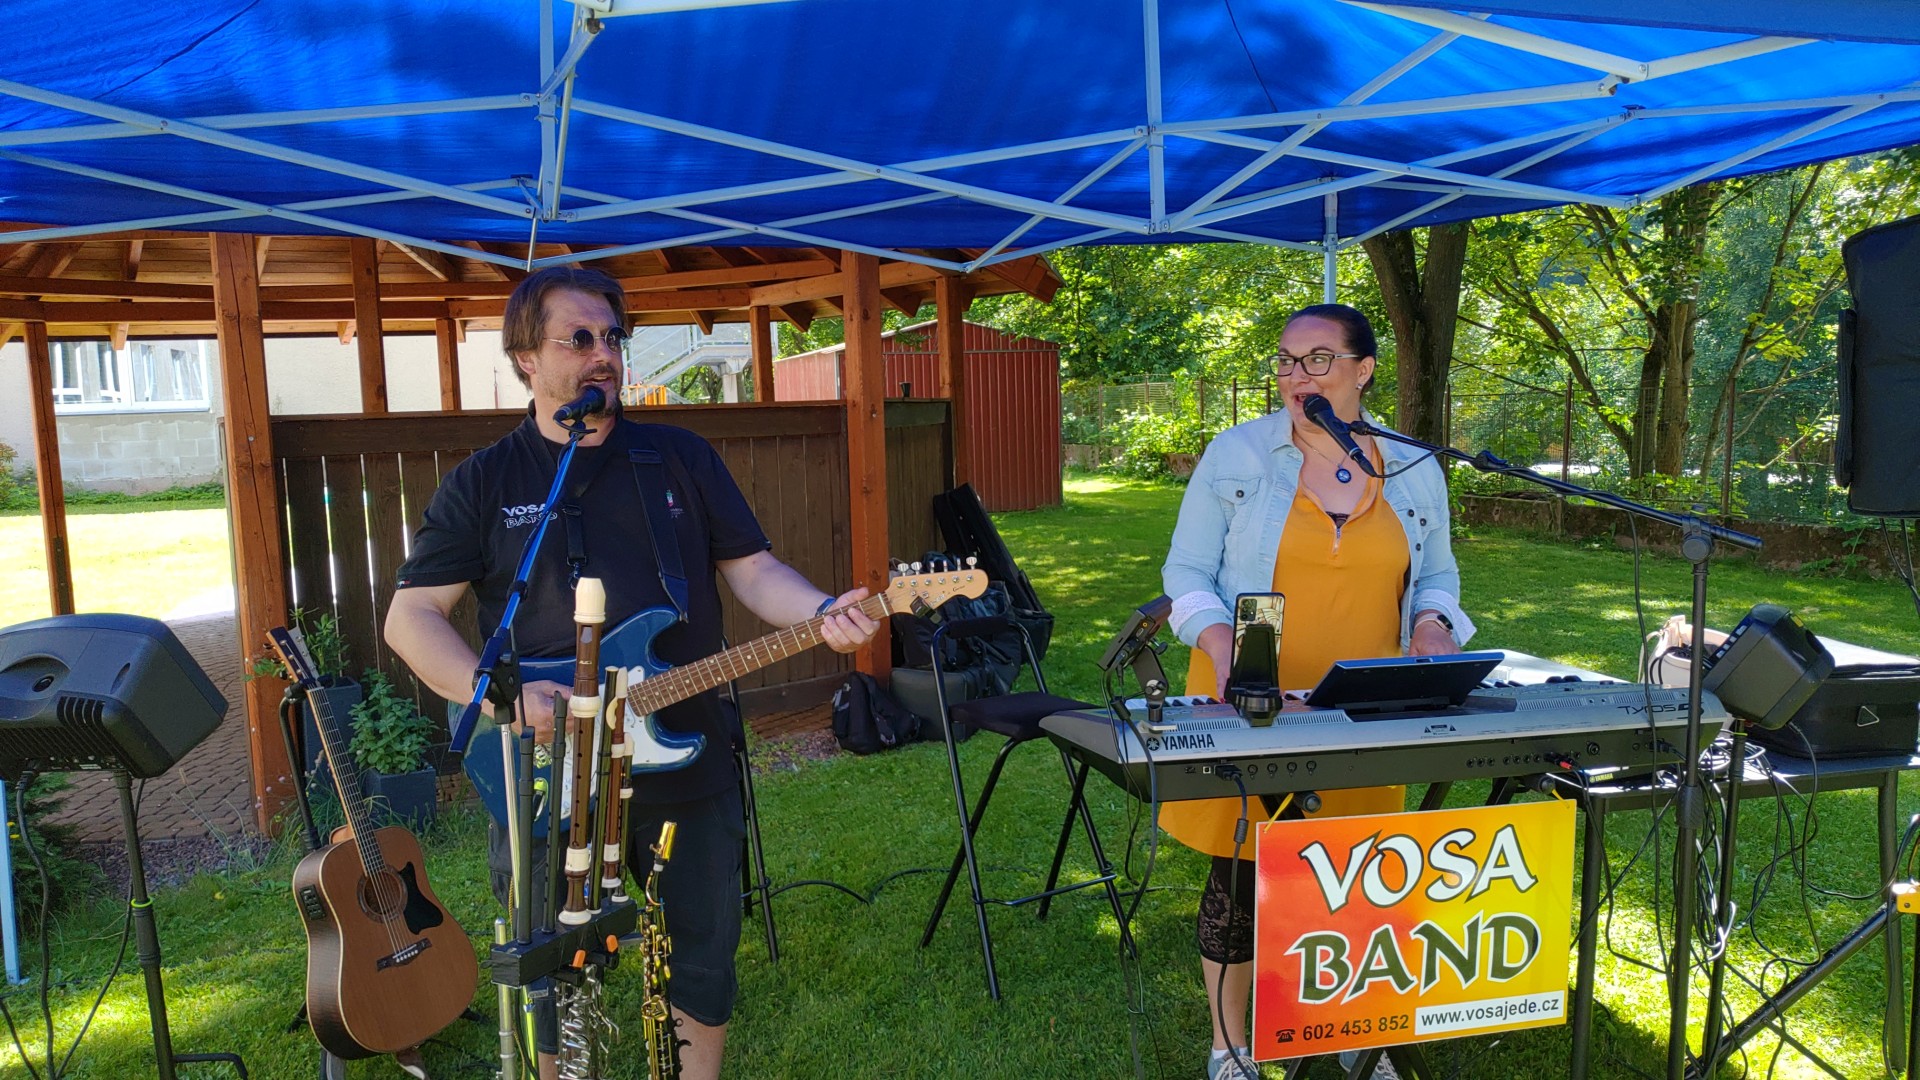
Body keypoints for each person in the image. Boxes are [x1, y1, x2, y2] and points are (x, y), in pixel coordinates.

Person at [384, 265, 880, 1080]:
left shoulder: (677, 457)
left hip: (687, 749)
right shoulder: (485, 482)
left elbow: (754, 571)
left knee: (701, 950)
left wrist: (824, 609)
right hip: (550, 767)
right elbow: (411, 618)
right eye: (578, 338)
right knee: (548, 964)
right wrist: (501, 697)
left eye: (612, 336)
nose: (603, 353)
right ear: (525, 358)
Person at [1159, 303, 1474, 1080]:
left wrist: (1433, 623)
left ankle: (1352, 1028)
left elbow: (1436, 573)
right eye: (1286, 361)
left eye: (1318, 359)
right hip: (1250, 700)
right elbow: (1185, 573)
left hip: (1365, 704)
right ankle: (1231, 1047)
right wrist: (1219, 641)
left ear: (1364, 370)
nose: (1296, 376)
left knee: (1361, 871)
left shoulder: (1414, 466)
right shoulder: (1236, 454)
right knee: (1242, 872)